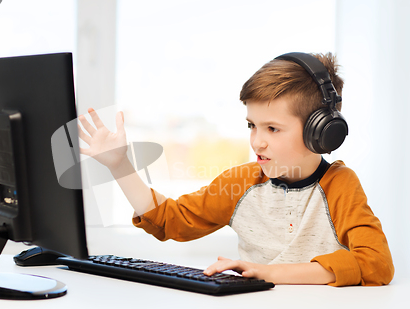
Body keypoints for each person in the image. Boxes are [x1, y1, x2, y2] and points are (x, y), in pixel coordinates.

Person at [78, 52, 394, 286]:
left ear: (321, 132)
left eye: (273, 129)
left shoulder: (340, 185)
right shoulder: (242, 181)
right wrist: (120, 165)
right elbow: (170, 220)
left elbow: (376, 263)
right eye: (251, 126)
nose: (257, 142)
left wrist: (270, 272)